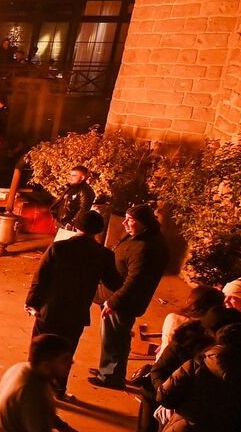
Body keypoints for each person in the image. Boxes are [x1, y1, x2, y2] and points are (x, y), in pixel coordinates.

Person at [24, 211, 122, 397]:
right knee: (65, 353)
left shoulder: (58, 248)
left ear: (76, 226)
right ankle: (59, 390)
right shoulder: (104, 255)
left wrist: (31, 302)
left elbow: (41, 277)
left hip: (49, 310)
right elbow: (114, 283)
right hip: (75, 314)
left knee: (39, 349)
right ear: (98, 231)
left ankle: (32, 388)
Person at [91, 204, 170, 390]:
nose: (125, 223)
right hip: (115, 296)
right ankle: (108, 370)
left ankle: (110, 377)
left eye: (131, 220)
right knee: (113, 337)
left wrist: (114, 301)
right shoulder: (140, 236)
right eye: (126, 218)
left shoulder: (146, 248)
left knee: (115, 339)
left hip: (122, 301)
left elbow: (136, 281)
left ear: (143, 223)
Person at [50, 165, 95, 240]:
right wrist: (55, 214)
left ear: (82, 177)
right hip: (62, 223)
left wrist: (72, 223)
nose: (70, 177)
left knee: (65, 248)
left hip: (70, 226)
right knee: (59, 246)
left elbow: (84, 209)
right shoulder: (71, 188)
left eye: (74, 175)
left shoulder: (86, 191)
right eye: (70, 175)